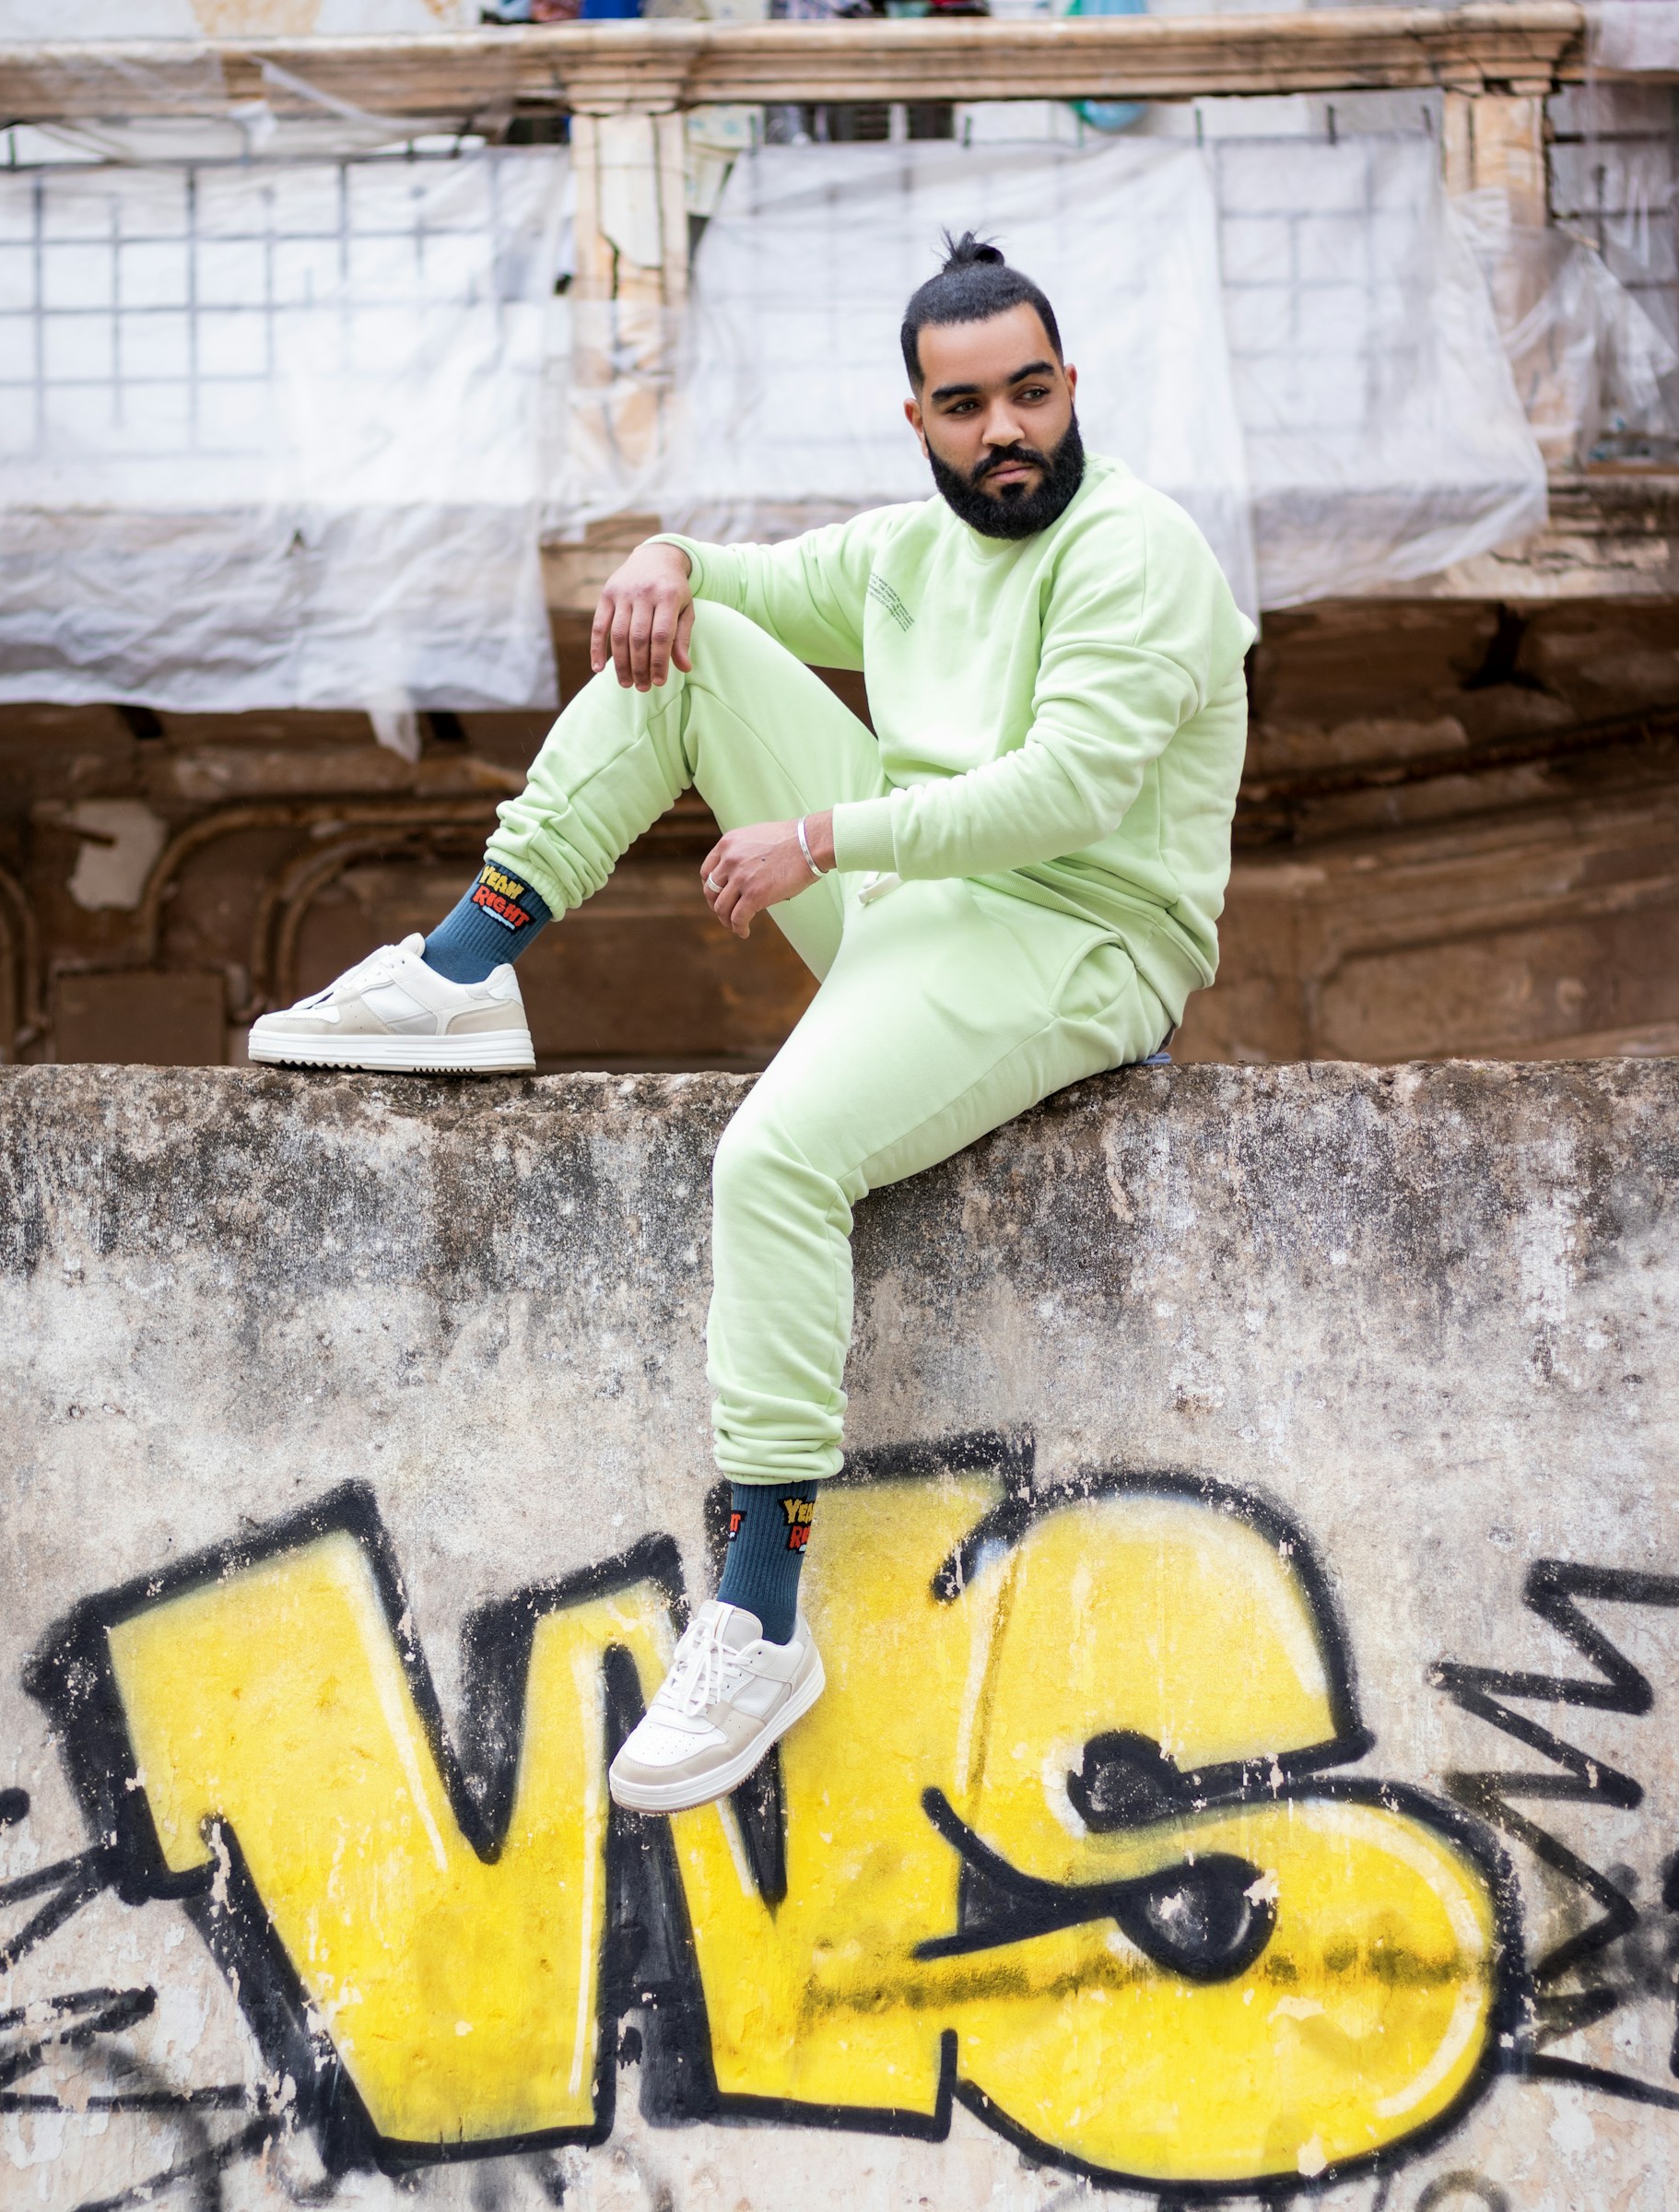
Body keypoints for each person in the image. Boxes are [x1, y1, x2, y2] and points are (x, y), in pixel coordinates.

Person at [250, 233, 1255, 1816]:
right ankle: (462, 966)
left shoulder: (1138, 552)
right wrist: (663, 552)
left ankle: (761, 1612)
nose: (1007, 433)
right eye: (967, 405)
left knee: (772, 1162)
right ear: (917, 420)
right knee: (688, 650)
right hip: (923, 909)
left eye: (1033, 394)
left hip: (1076, 939)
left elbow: (1072, 789)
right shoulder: (916, 550)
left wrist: (827, 841)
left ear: (1073, 391)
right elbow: (738, 585)